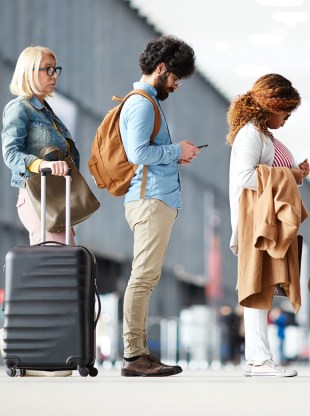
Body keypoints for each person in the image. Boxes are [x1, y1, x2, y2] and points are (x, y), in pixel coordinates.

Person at [119, 35, 198, 377]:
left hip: (155, 198)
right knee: (143, 277)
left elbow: (147, 154)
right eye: (176, 78)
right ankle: (135, 355)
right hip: (149, 200)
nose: (177, 86)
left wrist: (174, 156)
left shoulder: (149, 102)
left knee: (147, 278)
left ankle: (140, 352)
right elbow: (137, 154)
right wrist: (176, 151)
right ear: (162, 68)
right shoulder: (141, 104)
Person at [227, 73, 309, 377]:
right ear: (271, 106)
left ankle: (257, 358)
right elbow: (245, 177)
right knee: (256, 285)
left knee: (260, 285)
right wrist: (290, 177)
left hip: (264, 218)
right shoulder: (251, 135)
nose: (287, 118)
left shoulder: (263, 135)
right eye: (285, 111)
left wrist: (294, 175)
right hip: (255, 220)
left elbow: (267, 175)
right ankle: (260, 359)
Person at [1, 46, 78, 246]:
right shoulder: (19, 108)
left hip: (55, 198)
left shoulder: (48, 114)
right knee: (59, 263)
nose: (54, 75)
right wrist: (44, 165)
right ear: (29, 71)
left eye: (55, 69)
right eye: (48, 69)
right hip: (37, 196)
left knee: (61, 265)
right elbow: (10, 154)